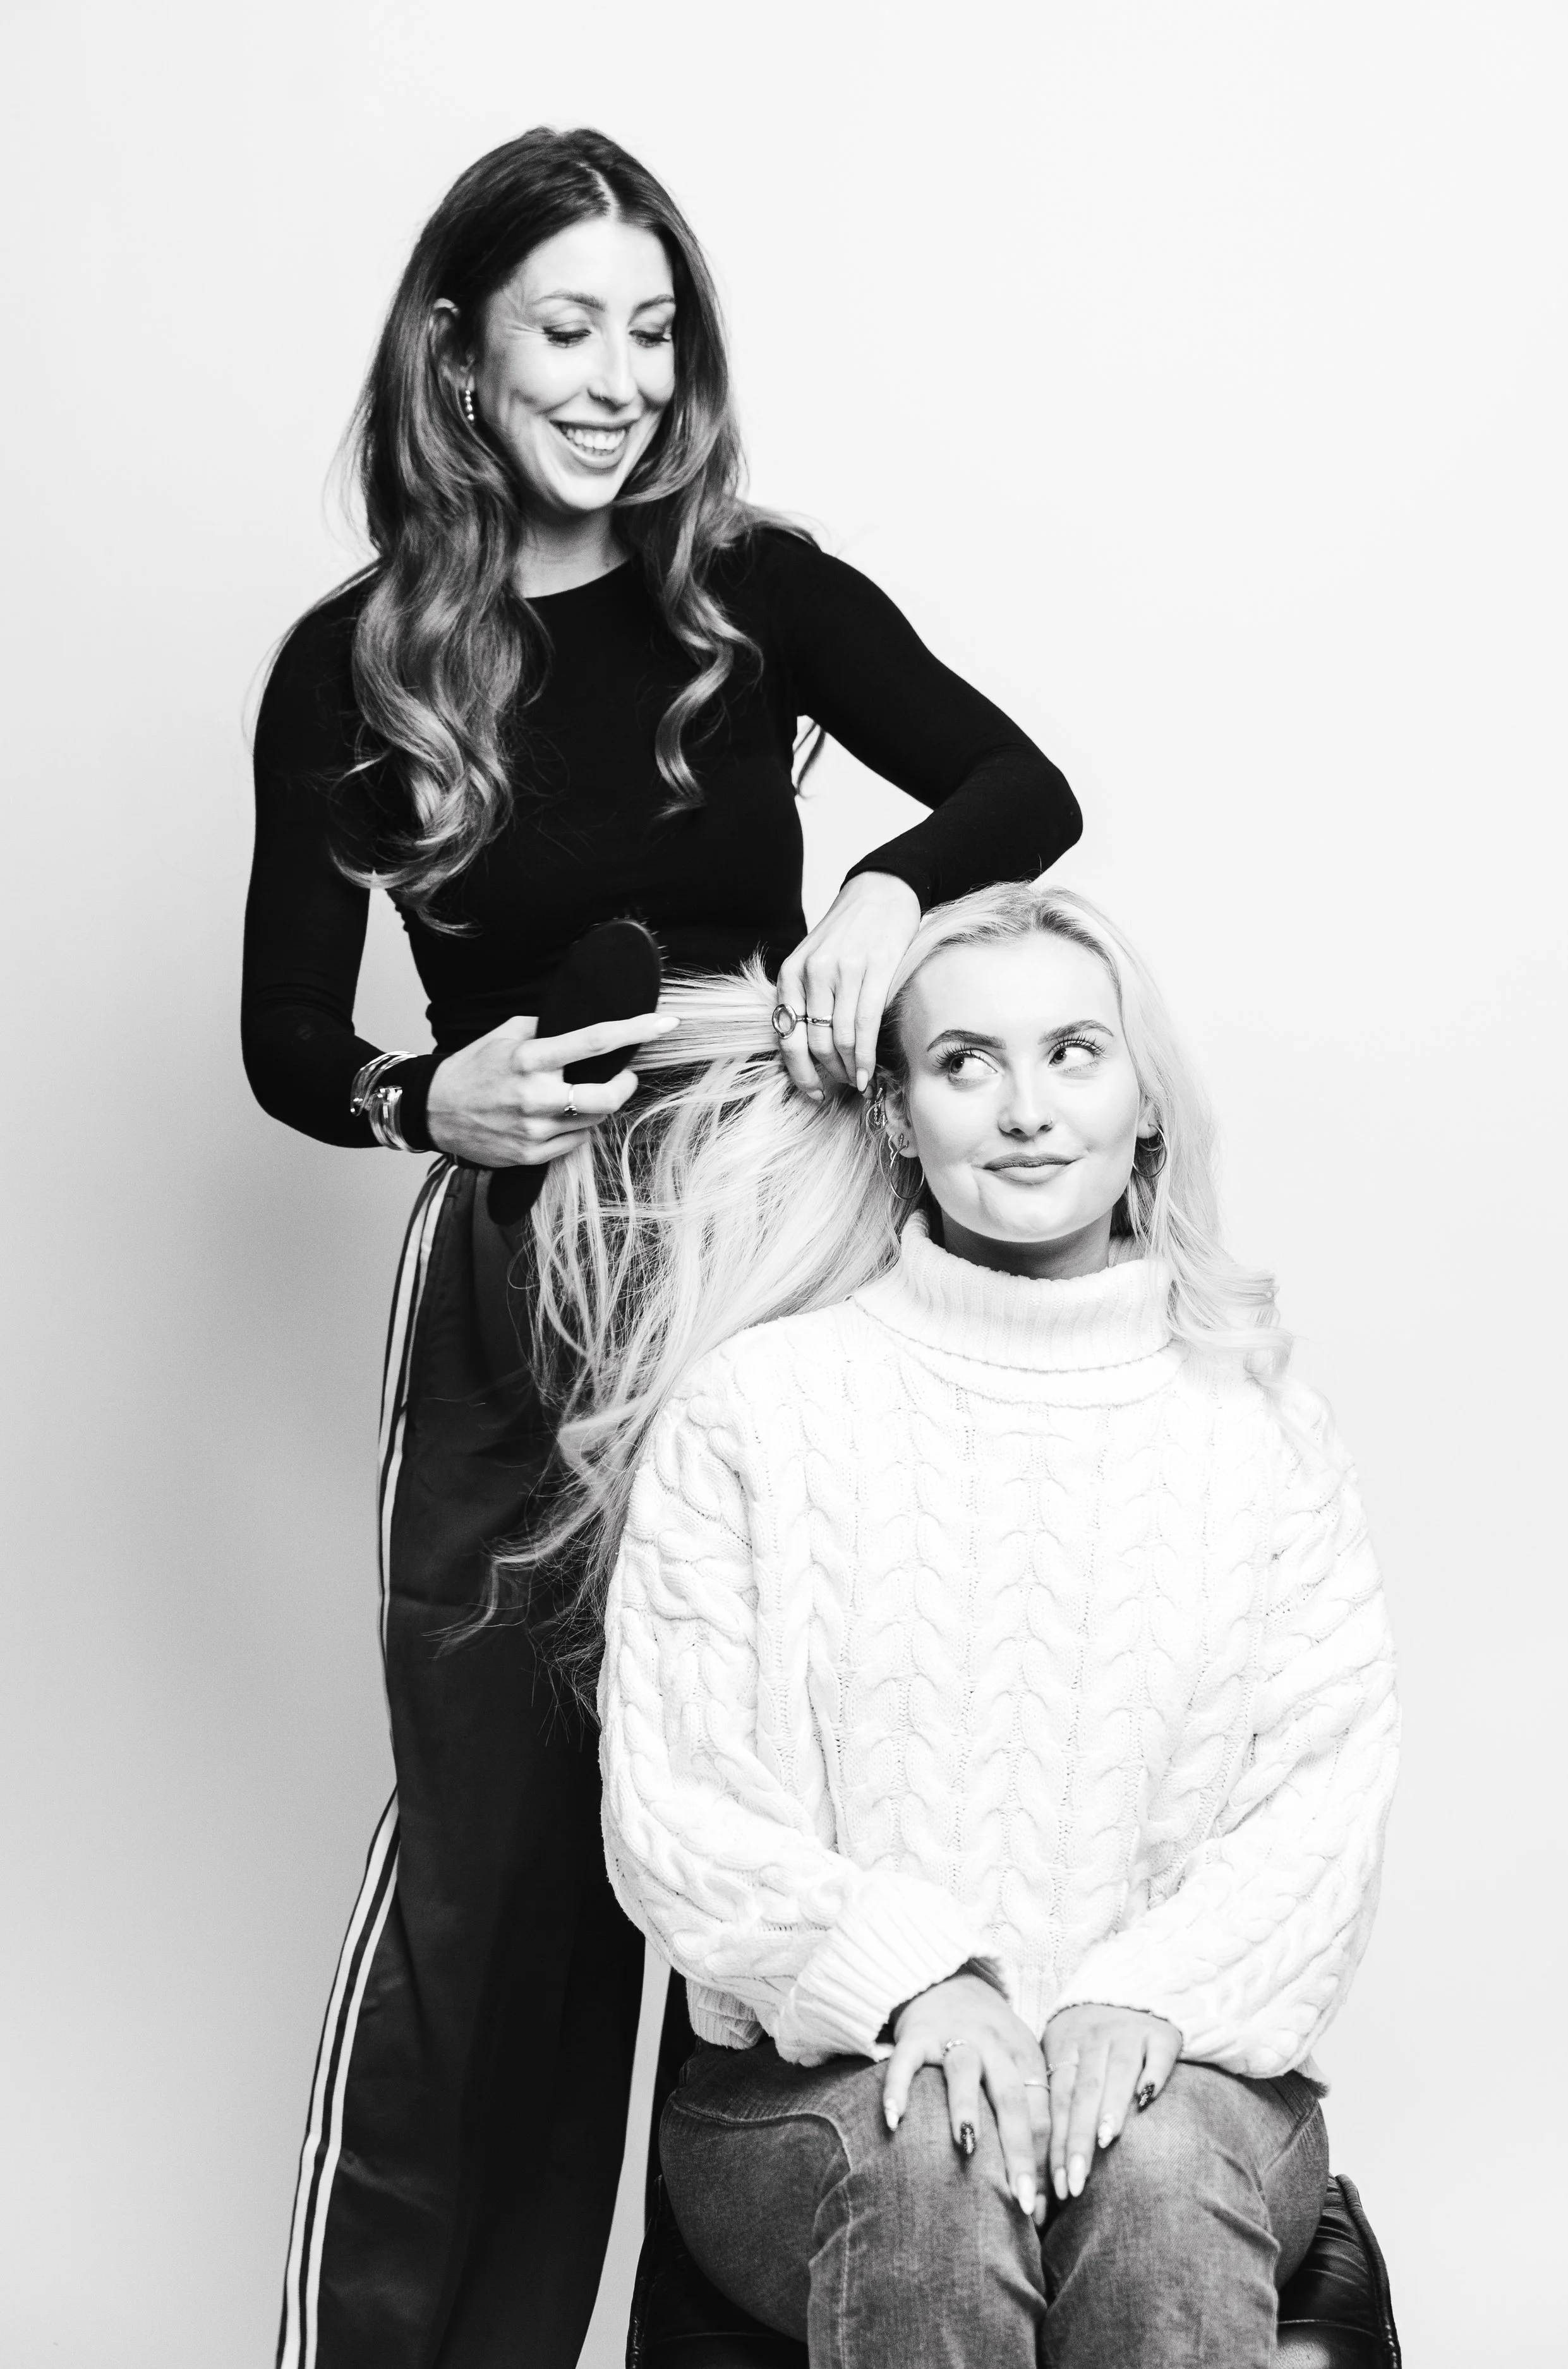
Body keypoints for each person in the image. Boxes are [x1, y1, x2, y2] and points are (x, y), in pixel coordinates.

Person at [243, 125, 1080, 2369]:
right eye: (566, 329)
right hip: (533, 1262)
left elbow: (1024, 791)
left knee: (796, 1848)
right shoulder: (356, 665)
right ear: (457, 352)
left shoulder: (755, 589)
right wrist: (431, 1099)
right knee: (501, 1880)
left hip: (773, 1235)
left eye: (653, 327)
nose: (621, 376)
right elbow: (285, 1043)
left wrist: (894, 895)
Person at [508, 883, 1398, 2368]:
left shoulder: (1258, 1431)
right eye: (964, 1062)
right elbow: (677, 1807)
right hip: (819, 2096)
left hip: (1186, 2072)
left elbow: (1321, 1803)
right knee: (941, 2156)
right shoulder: (755, 1411)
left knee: (1160, 2162)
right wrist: (923, 1981)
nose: (1024, 1109)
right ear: (898, 1118)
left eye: (1073, 1053)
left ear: (1143, 1107)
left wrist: (1139, 1997)